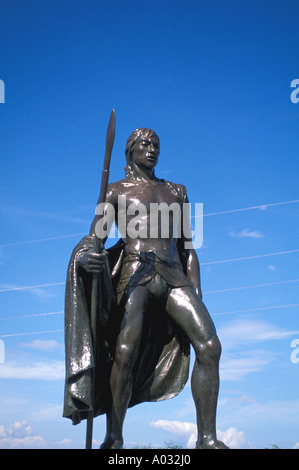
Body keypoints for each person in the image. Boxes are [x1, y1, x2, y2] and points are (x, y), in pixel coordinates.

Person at [63, 127, 228, 449]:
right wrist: (86, 260)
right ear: (130, 150)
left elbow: (188, 249)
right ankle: (114, 437)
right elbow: (94, 241)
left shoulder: (177, 191)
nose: (151, 149)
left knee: (210, 347)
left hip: (173, 275)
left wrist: (195, 290)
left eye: (156, 145)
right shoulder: (114, 191)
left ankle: (207, 439)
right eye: (144, 144)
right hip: (134, 272)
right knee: (124, 353)